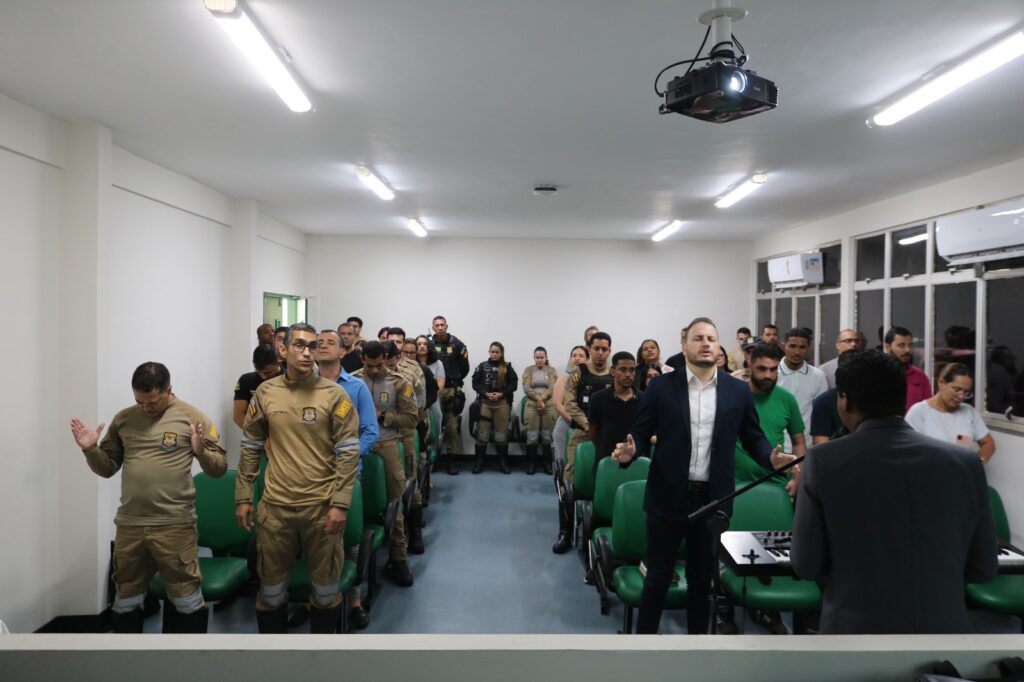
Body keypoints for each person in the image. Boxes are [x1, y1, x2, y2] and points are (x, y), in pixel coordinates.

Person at [791, 350, 997, 634]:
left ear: (844, 400)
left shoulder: (823, 461)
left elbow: (806, 565)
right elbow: (983, 567)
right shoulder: (966, 462)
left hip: (855, 631)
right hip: (944, 633)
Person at [612, 317, 792, 634]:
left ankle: (697, 647)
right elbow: (640, 432)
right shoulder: (661, 387)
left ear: (718, 346)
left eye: (711, 338)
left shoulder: (737, 391)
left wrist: (770, 458)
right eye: (698, 338)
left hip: (712, 502)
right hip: (667, 496)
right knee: (657, 578)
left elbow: (754, 439)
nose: (706, 343)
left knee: (702, 581)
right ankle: (643, 647)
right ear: (684, 346)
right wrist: (632, 450)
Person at [70, 362, 227, 633]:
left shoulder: (192, 417)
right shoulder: (124, 419)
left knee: (186, 598)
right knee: (125, 599)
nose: (146, 408)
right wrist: (91, 450)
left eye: (152, 402)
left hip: (174, 525)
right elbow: (107, 468)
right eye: (139, 402)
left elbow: (219, 468)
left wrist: (200, 452)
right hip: (130, 524)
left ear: (169, 390)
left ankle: (190, 657)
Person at [235, 323, 362, 633]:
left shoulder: (334, 395)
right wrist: (243, 494)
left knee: (325, 593)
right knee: (271, 593)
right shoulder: (266, 392)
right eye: (300, 345)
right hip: (276, 510)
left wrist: (340, 503)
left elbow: (349, 453)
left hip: (321, 509)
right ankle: (275, 656)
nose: (307, 353)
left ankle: (319, 657)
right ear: (283, 349)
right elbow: (250, 445)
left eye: (312, 346)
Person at [302, 329, 378, 631]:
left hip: (344, 475)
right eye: (318, 343)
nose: (322, 346)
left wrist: (345, 457)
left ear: (343, 351)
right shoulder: (303, 386)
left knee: (348, 541)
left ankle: (355, 601)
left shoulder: (356, 388)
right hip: (309, 476)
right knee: (311, 541)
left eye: (329, 342)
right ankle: (312, 600)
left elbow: (370, 432)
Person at [729, 341, 806, 635]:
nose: (768, 375)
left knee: (769, 554)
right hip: (735, 484)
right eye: (762, 369)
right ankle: (725, 608)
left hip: (774, 485)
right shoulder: (736, 397)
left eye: (773, 370)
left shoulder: (786, 400)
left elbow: (798, 442)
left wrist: (797, 476)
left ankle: (767, 609)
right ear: (750, 366)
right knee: (728, 550)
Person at [352, 341, 418, 584]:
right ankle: (352, 556)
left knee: (394, 503)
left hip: (386, 445)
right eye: (370, 366)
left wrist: (383, 416)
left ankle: (399, 559)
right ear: (363, 360)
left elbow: (411, 418)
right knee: (352, 501)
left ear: (385, 359)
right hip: (356, 446)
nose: (375, 370)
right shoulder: (351, 381)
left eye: (379, 365)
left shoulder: (399, 382)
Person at [905, 363, 996, 463]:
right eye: (957, 389)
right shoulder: (919, 412)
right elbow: (908, 451)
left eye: (966, 392)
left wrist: (977, 463)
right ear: (941, 383)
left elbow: (988, 443)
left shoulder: (969, 412)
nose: (961, 396)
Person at [777, 327, 828, 453]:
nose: (797, 352)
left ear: (808, 349)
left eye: (802, 347)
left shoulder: (818, 376)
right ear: (784, 346)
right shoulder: (772, 374)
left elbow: (822, 413)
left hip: (807, 446)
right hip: (776, 444)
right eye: (792, 346)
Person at [587, 351, 640, 470]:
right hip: (606, 461)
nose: (628, 374)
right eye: (623, 369)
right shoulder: (598, 398)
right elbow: (593, 431)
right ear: (612, 371)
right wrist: (603, 449)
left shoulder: (644, 399)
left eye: (632, 370)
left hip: (636, 462)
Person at [470, 342, 518, 474]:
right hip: (485, 403)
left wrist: (502, 394)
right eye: (492, 352)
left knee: (501, 434)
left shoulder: (507, 367)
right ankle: (479, 463)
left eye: (497, 352)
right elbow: (475, 383)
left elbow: (514, 385)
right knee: (482, 433)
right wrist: (485, 393)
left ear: (501, 353)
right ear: (489, 352)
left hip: (502, 404)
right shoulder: (482, 366)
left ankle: (503, 463)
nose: (494, 354)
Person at [431, 315, 470, 475]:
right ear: (433, 328)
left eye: (442, 325)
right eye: (437, 325)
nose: (440, 328)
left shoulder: (457, 344)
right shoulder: (428, 344)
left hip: (450, 391)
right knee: (431, 426)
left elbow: (465, 368)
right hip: (433, 391)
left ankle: (451, 461)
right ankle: (431, 461)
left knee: (452, 427)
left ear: (446, 326)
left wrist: (454, 379)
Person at [521, 346, 558, 475]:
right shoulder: (528, 370)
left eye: (542, 357)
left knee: (547, 436)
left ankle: (548, 465)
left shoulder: (552, 370)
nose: (539, 360)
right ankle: (531, 464)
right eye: (537, 357)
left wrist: (542, 398)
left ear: (546, 358)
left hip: (548, 405)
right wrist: (538, 399)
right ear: (534, 358)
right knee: (532, 436)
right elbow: (526, 388)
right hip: (532, 405)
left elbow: (553, 387)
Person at [552, 345, 589, 469]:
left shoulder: (592, 380)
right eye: (574, 355)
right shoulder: (563, 379)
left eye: (581, 356)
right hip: (566, 423)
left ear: (587, 359)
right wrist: (576, 421)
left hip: (588, 425)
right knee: (564, 463)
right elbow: (557, 404)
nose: (577, 358)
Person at [232, 344, 282, 428]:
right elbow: (238, 417)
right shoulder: (246, 380)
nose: (263, 376)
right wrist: (256, 434)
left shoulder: (289, 379)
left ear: (278, 363)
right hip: (254, 432)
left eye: (267, 372)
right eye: (259, 372)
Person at [884, 326, 932, 412]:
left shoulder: (920, 376)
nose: (907, 350)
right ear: (888, 347)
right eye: (901, 345)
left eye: (910, 345)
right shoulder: (877, 374)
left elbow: (928, 409)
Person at [416, 335, 445, 454]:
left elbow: (440, 384)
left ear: (429, 347)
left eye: (425, 344)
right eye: (419, 344)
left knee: (437, 416)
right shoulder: (411, 363)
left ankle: (436, 450)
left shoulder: (437, 363)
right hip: (416, 398)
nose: (422, 346)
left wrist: (428, 399)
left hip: (433, 397)